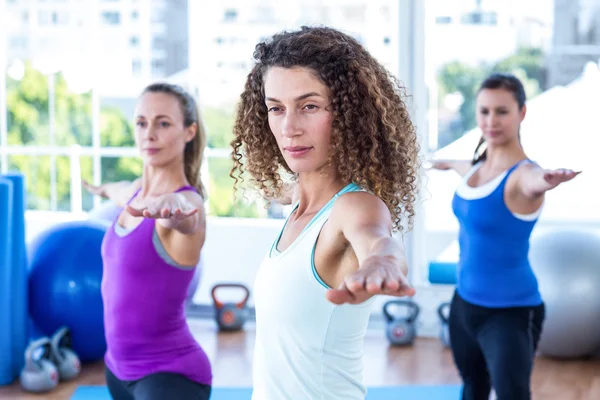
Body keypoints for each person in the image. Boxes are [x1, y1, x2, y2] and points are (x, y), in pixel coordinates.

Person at [229, 26, 420, 399]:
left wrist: (382, 264)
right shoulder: (300, 208)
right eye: (276, 108)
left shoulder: (353, 206)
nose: (289, 128)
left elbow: (377, 239)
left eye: (309, 106)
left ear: (350, 113)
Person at [431, 73, 580, 400]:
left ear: (521, 113)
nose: (491, 121)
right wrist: (438, 161)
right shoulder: (475, 166)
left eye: (502, 111)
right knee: (473, 389)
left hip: (509, 315)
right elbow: (462, 166)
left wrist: (547, 179)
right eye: (484, 111)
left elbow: (533, 180)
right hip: (464, 305)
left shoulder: (523, 176)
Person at [83, 82, 212, 400]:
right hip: (116, 372)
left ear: (189, 131)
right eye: (141, 122)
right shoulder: (136, 193)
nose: (148, 133)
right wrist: (102, 189)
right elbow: (119, 190)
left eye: (163, 123)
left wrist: (173, 209)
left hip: (170, 379)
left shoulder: (186, 203)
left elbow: (187, 216)